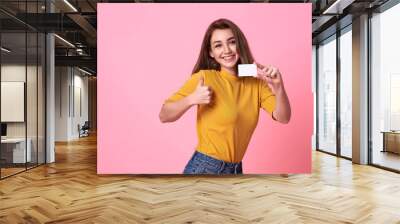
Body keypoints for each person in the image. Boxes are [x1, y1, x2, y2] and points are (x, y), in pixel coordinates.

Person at [159, 18, 291, 175]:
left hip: (236, 169)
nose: (227, 50)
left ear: (240, 44)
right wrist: (192, 99)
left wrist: (278, 87)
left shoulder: (255, 82)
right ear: (211, 53)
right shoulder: (205, 77)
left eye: (232, 42)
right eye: (218, 45)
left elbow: (283, 117)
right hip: (206, 167)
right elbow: (164, 115)